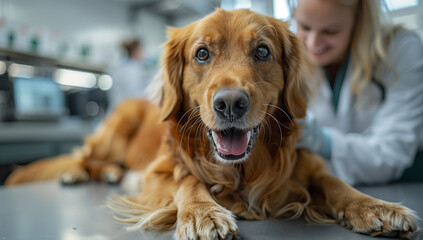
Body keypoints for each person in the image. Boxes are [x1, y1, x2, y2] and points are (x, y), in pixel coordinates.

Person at [291, 0, 423, 186]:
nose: (312, 43)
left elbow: (391, 153)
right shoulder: (291, 60)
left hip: (405, 187)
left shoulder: (401, 49)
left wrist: (325, 143)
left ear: (359, 21)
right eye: (304, 27)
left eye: (331, 31)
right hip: (325, 187)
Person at [108, 39, 150, 111]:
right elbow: (134, 93)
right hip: (127, 109)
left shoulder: (120, 65)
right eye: (141, 51)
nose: (143, 55)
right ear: (135, 52)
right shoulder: (133, 68)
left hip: (118, 107)